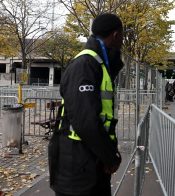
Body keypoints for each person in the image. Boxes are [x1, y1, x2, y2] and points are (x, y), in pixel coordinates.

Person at [48, 13, 123, 196]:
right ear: (115, 35)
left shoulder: (98, 63)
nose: (123, 40)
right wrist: (109, 157)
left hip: (90, 162)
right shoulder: (85, 64)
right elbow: (85, 121)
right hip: (77, 168)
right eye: (122, 35)